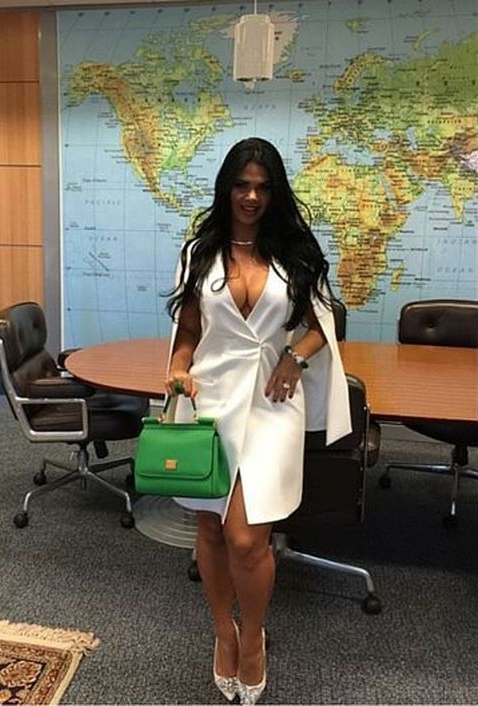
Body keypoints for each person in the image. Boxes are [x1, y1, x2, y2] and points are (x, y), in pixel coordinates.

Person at [164, 138, 351, 704]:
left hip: (272, 403)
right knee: (209, 527)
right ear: (227, 187)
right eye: (242, 185)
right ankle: (224, 631)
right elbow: (189, 330)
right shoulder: (199, 251)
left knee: (246, 537)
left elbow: (324, 322)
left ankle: (253, 639)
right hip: (210, 401)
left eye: (263, 188)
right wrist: (178, 367)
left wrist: (295, 357)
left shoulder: (294, 250)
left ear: (275, 193)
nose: (251, 197)